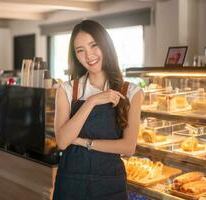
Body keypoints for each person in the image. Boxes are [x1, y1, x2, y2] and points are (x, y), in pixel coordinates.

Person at [53, 20, 143, 200]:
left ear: (105, 45)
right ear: (76, 56)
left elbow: (128, 147)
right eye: (80, 50)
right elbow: (62, 141)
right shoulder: (67, 90)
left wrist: (84, 142)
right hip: (71, 183)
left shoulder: (132, 92)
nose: (89, 55)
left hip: (110, 185)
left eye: (94, 45)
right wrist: (91, 101)